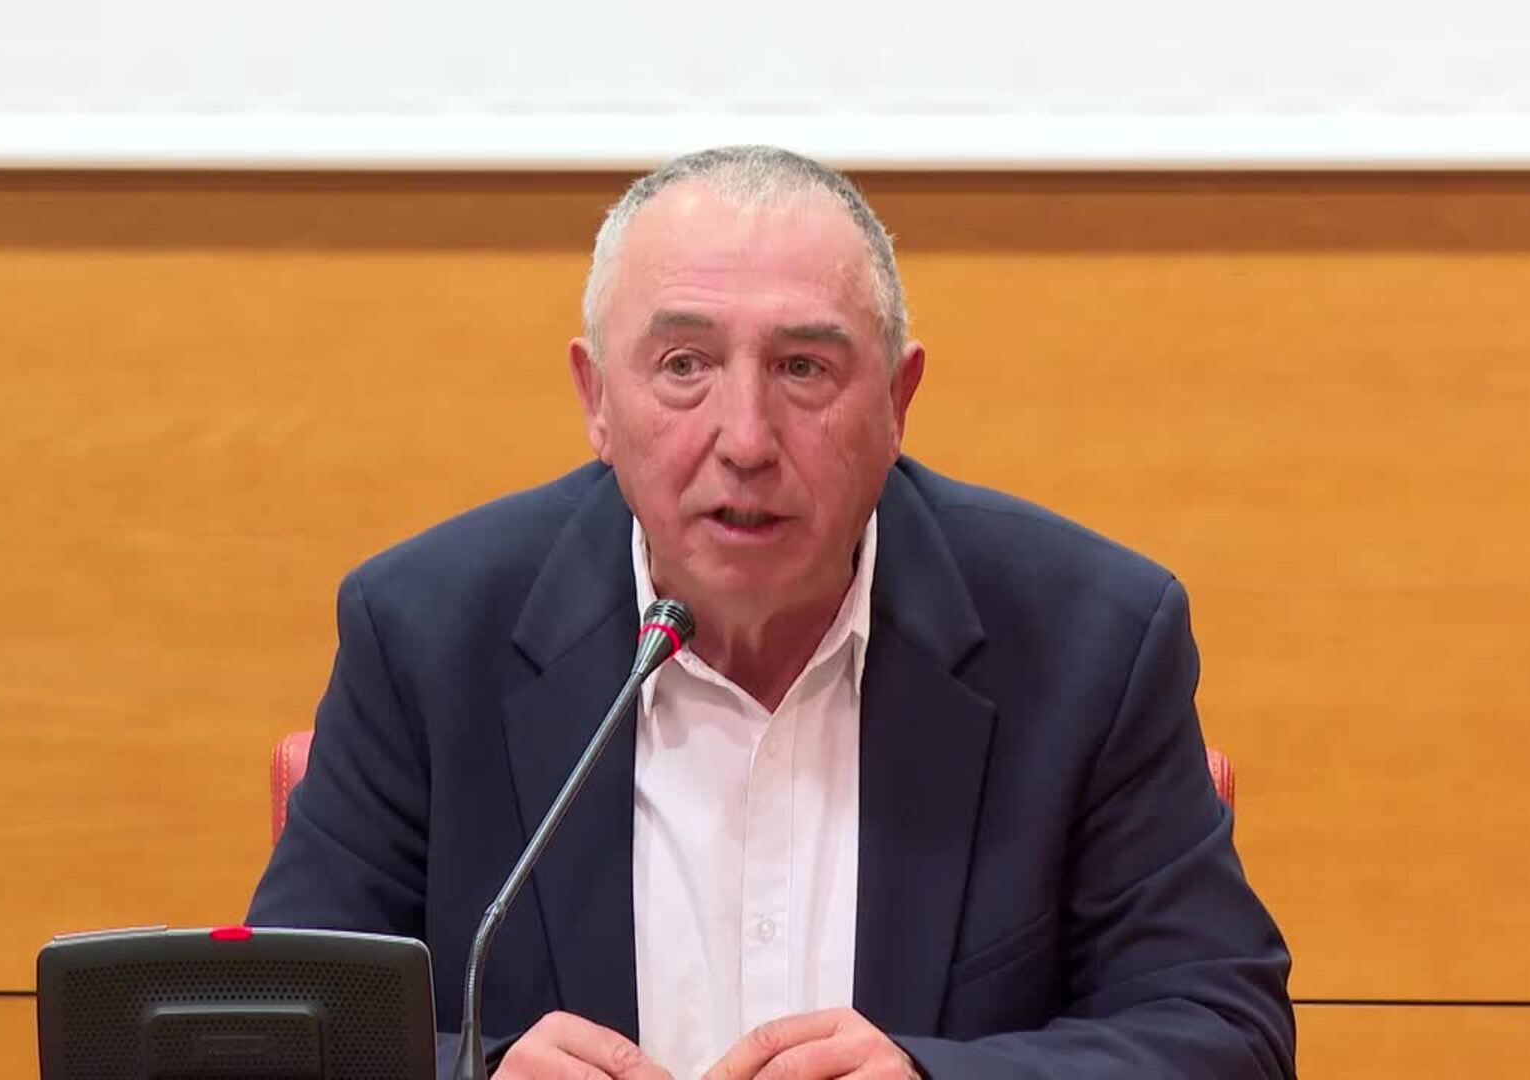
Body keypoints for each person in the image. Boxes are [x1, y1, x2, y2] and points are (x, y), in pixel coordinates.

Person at [248, 145, 1295, 1079]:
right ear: (595, 399)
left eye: (804, 368)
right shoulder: (427, 635)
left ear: (898, 401)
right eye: (684, 366)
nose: (745, 439)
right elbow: (276, 1035)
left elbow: (1223, 1033)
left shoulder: (1088, 644)